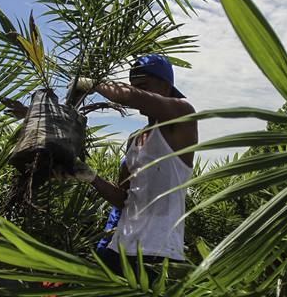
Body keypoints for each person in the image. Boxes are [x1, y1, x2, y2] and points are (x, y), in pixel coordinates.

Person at [72, 54, 198, 279]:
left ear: (166, 86)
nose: (136, 90)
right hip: (119, 248)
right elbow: (123, 198)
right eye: (134, 86)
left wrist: (93, 83)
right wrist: (89, 176)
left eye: (143, 86)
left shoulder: (182, 116)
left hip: (158, 254)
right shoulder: (135, 140)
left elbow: (134, 98)